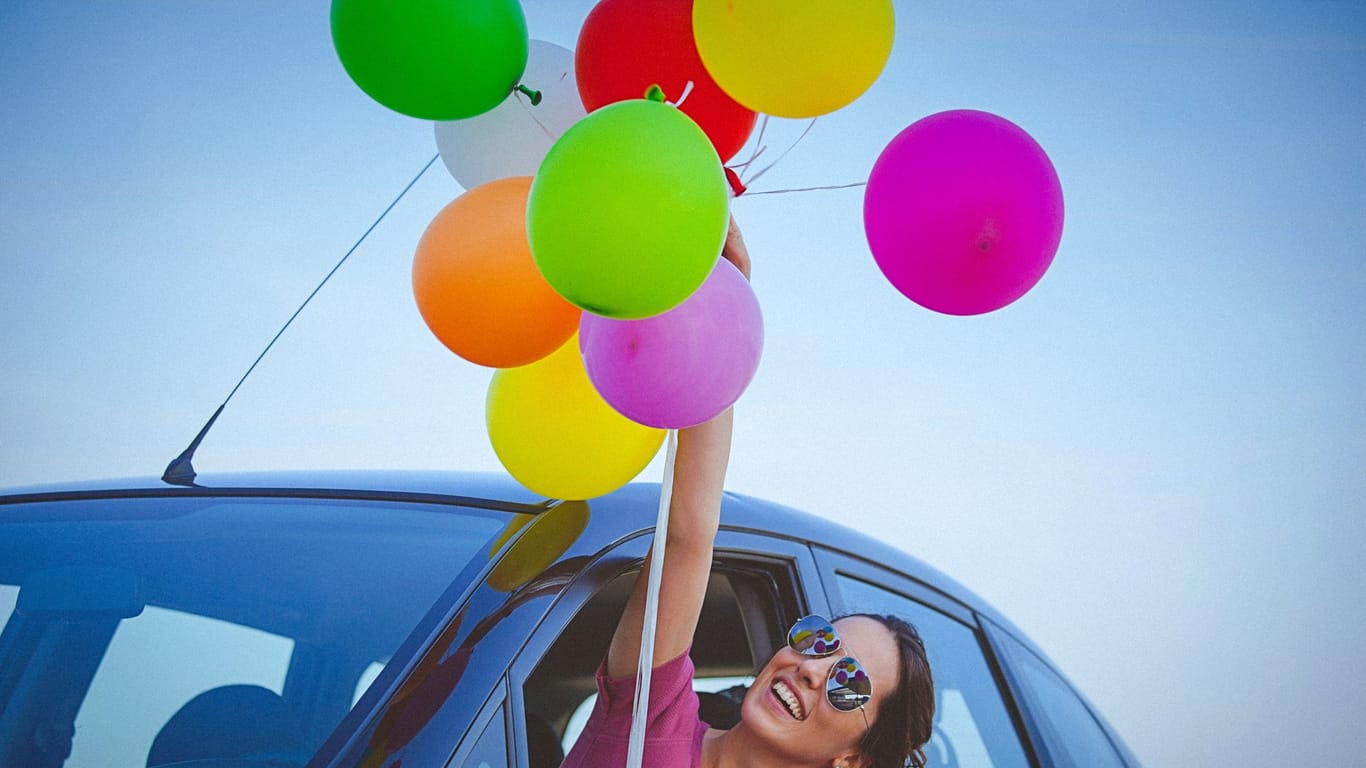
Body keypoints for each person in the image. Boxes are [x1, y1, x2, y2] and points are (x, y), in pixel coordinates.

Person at [561, 220, 936, 768]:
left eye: (847, 681)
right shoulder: (649, 725)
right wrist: (719, 305)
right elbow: (688, 535)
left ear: (853, 759)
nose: (811, 668)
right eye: (819, 643)